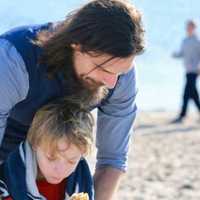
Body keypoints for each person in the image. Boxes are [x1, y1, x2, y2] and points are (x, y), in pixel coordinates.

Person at [0, 0, 144, 199]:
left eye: (120, 72)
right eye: (103, 68)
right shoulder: (12, 60)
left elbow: (112, 159)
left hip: (60, 161)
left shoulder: (118, 73)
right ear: (75, 44)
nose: (111, 84)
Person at [0, 99, 94, 200]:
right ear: (35, 142)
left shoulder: (81, 182)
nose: (60, 171)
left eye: (71, 161)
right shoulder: (8, 179)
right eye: (51, 158)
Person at [172, 20, 200, 123]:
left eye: (190, 27)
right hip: (188, 70)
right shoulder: (185, 41)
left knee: (187, 93)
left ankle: (182, 116)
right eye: (187, 27)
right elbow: (182, 54)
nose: (188, 29)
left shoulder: (197, 40)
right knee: (192, 94)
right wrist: (175, 55)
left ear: (194, 28)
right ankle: (182, 115)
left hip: (195, 70)